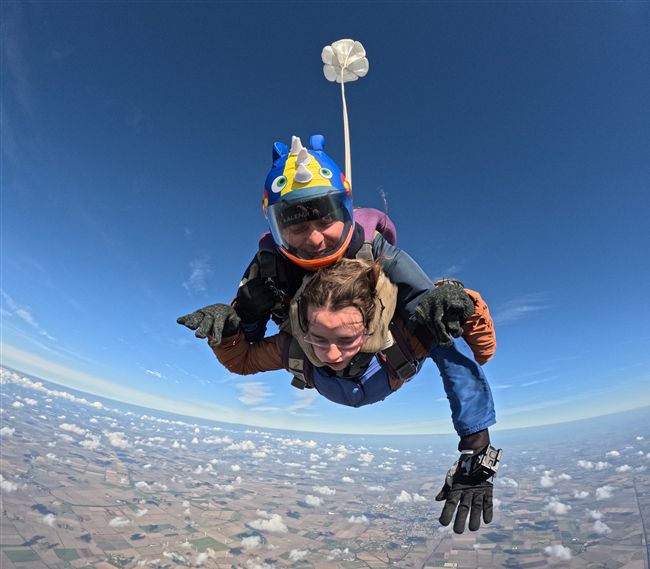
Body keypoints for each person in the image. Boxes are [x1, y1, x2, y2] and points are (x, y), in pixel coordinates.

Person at [178, 258, 502, 534]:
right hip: (375, 372)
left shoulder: (407, 334)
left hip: (392, 355)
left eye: (347, 339)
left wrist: (464, 304)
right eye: (319, 339)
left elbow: (475, 358)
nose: (332, 355)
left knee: (444, 336)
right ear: (305, 328)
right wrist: (230, 329)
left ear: (371, 326)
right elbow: (243, 361)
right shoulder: (294, 345)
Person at [230, 134, 496, 366]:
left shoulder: (374, 249)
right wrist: (246, 316)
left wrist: (462, 309)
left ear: (346, 212)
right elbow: (245, 348)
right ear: (275, 227)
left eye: (326, 220)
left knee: (434, 313)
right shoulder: (269, 266)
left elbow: (428, 310)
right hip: (317, 362)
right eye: (296, 226)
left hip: (381, 358)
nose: (315, 240)